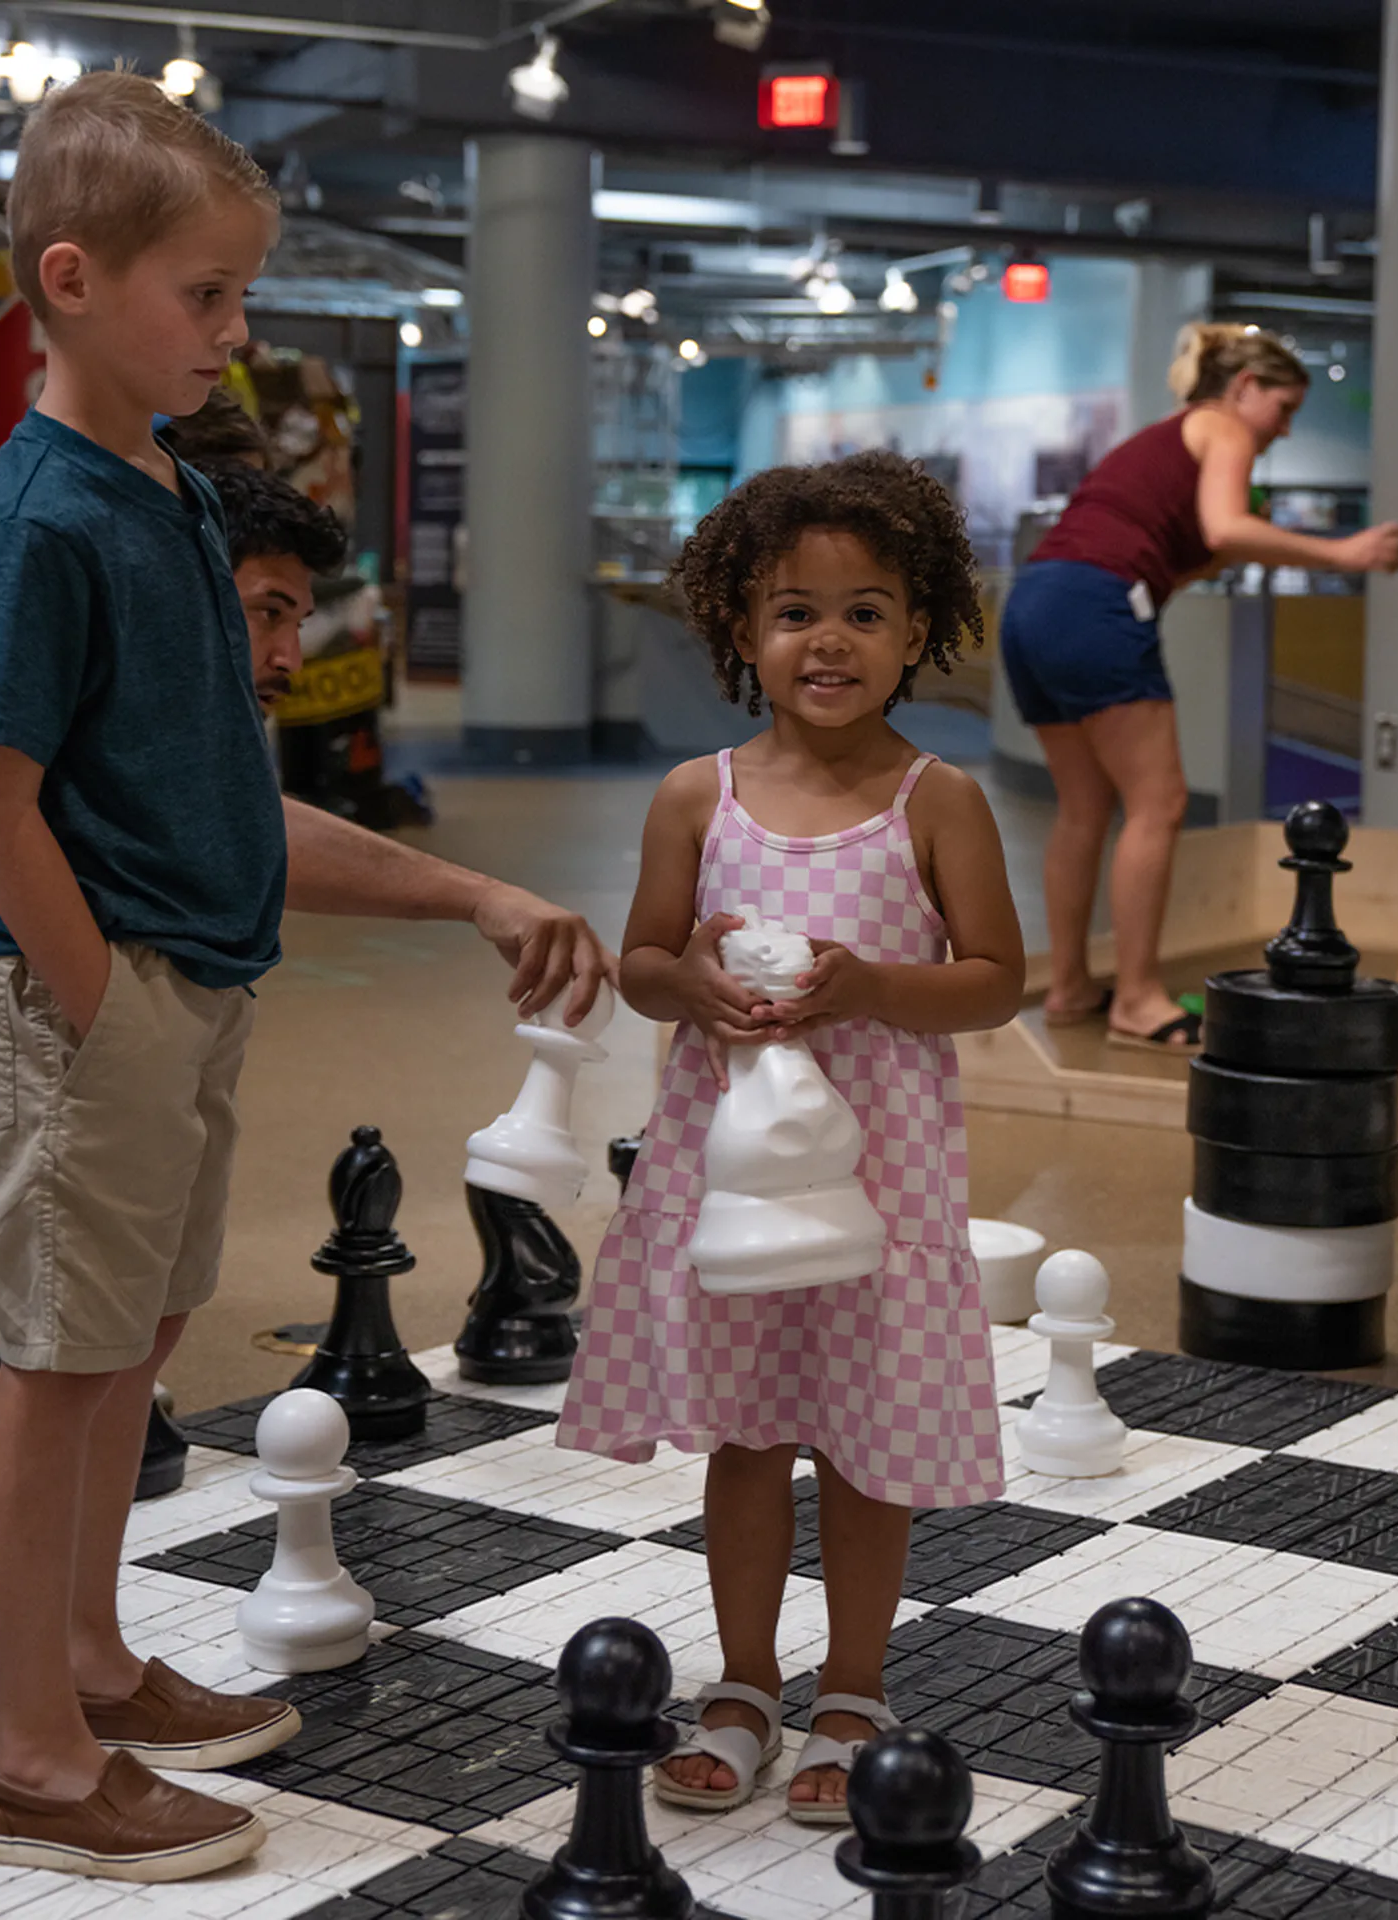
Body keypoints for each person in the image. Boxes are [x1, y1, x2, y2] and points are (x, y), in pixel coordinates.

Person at [0, 73, 601, 1885]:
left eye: (241, 296)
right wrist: (89, 999)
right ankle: (34, 1766)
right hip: (101, 997)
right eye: (204, 297)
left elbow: (234, 800)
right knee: (57, 1372)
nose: (234, 335)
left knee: (132, 1343)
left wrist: (462, 893)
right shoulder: (47, 512)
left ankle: (85, 1662)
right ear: (70, 280)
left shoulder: (165, 494)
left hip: (186, 986)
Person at [0, 457, 610, 1398]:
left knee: (62, 1289)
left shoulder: (84, 650)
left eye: (298, 618)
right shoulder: (50, 647)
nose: (292, 654)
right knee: (49, 1351)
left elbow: (234, 817)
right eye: (268, 611)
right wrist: (109, 1024)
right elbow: (233, 821)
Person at [555, 451, 1025, 1823]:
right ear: (739, 633)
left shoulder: (937, 800)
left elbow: (996, 975)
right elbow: (640, 961)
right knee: (747, 1434)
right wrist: (684, 980)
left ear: (919, 630)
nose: (829, 639)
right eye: (794, 611)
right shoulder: (696, 797)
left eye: (866, 611)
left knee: (869, 1439)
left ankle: (854, 1690)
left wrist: (872, 985)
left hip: (883, 1170)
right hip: (728, 1177)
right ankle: (746, 1683)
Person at [999, 322, 1398, 1048]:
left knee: (1083, 807)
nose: (1282, 431)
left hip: (1036, 599)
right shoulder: (1222, 426)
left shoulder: (1165, 438)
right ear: (1244, 388)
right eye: (1282, 409)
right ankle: (1136, 999)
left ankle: (1070, 987)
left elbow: (1190, 554)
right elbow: (1225, 528)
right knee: (1159, 803)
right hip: (1096, 601)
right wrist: (1343, 553)